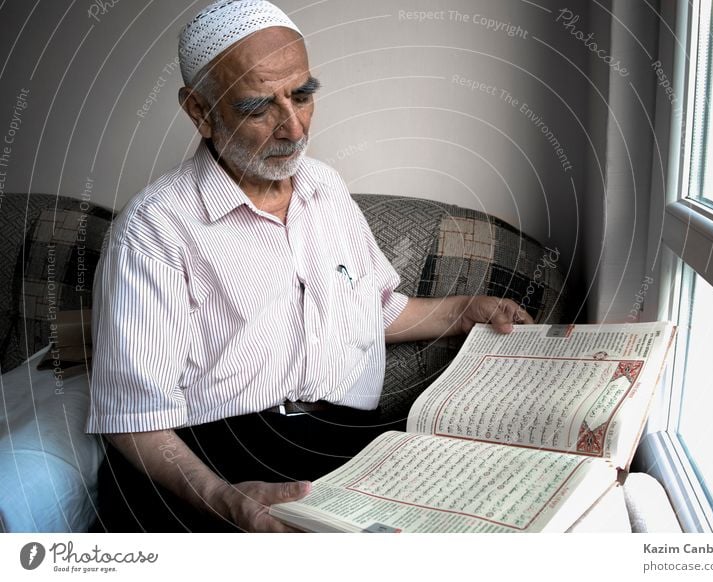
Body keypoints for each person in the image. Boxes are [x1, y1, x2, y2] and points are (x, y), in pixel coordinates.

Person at [87, 0, 533, 533]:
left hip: (337, 438)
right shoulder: (154, 230)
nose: (293, 128)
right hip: (207, 452)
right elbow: (132, 419)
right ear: (199, 111)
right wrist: (225, 500)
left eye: (301, 95)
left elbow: (371, 310)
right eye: (258, 108)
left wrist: (465, 310)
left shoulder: (326, 189)